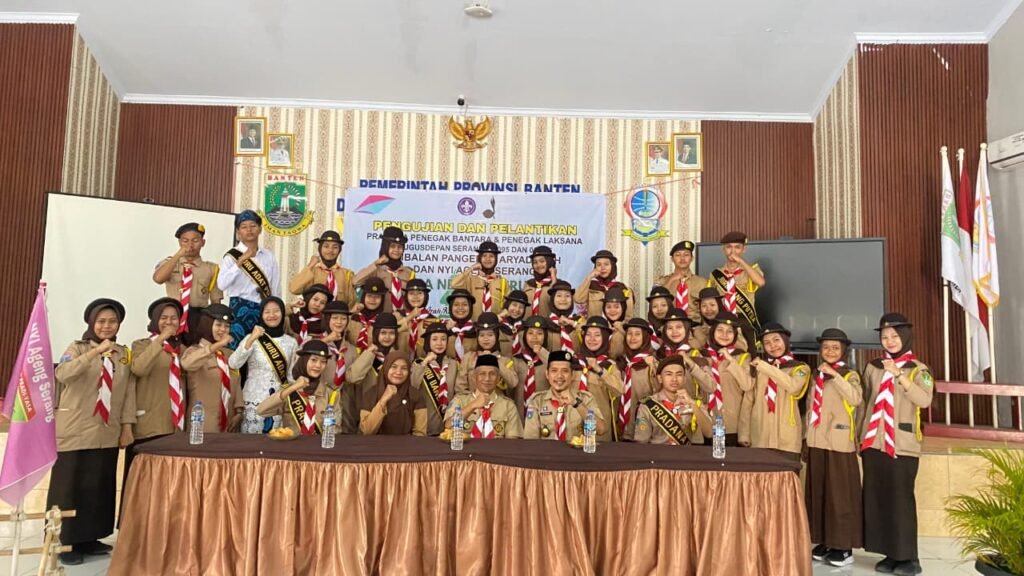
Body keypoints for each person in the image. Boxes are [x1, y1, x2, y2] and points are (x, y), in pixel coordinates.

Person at [49, 299, 135, 566]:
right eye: (101, 321)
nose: (107, 326)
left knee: (98, 486)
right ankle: (63, 542)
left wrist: (127, 426)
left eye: (112, 321)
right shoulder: (77, 348)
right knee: (69, 488)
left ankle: (89, 537)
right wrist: (94, 353)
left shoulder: (122, 354)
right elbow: (63, 374)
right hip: (76, 428)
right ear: (91, 323)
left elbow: (128, 392)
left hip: (106, 430)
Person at [859, 314, 933, 576]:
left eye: (894, 336)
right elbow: (865, 403)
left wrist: (900, 375)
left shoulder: (918, 369)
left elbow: (924, 400)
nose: (889, 341)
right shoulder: (874, 367)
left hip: (901, 445)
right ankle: (889, 553)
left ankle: (909, 558)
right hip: (873, 442)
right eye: (884, 337)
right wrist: (860, 436)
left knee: (901, 501)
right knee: (878, 499)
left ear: (906, 337)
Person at [805, 328, 864, 568]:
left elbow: (855, 399)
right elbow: (810, 407)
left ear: (843, 351)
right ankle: (825, 540)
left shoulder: (850, 374)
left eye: (835, 348)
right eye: (826, 347)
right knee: (820, 493)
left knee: (840, 496)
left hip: (839, 443)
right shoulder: (816, 376)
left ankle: (843, 546)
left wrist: (835, 376)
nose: (830, 351)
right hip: (817, 440)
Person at [122, 298, 184, 516]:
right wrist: (161, 339)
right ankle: (134, 526)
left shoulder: (180, 349)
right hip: (148, 424)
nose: (169, 322)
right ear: (155, 320)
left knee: (166, 486)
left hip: (174, 425)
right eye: (164, 318)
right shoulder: (141, 345)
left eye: (174, 318)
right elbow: (139, 369)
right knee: (141, 484)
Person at [228, 297, 298, 434]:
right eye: (267, 312)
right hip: (253, 400)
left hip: (278, 401)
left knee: (277, 441)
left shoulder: (291, 342)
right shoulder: (252, 338)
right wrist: (251, 339)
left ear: (282, 313)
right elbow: (234, 363)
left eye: (276, 311)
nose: (272, 315)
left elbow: (291, 376)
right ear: (261, 315)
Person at [744, 323, 810, 458]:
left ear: (785, 340)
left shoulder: (800, 368)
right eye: (767, 343)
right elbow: (748, 401)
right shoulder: (758, 369)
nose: (773, 346)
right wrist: (744, 434)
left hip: (787, 438)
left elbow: (793, 387)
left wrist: (766, 367)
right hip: (760, 435)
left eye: (776, 340)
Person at [218, 210, 281, 349]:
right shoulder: (231, 256)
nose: (249, 230)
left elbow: (275, 288)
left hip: (264, 310)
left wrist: (277, 309)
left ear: (260, 229)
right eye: (244, 227)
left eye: (253, 226)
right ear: (238, 232)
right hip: (238, 308)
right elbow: (221, 284)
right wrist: (239, 263)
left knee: (261, 351)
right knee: (236, 350)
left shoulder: (268, 256)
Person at [152, 222, 223, 345]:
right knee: (170, 349)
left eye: (195, 240)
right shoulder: (170, 263)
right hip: (173, 316)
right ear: (179, 242)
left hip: (198, 317)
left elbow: (216, 302)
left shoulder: (211, 268)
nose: (190, 245)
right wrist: (178, 255)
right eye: (185, 241)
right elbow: (158, 279)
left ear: (203, 242)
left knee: (195, 350)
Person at [181, 304, 243, 434]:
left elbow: (236, 382)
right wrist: (216, 346)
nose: (223, 330)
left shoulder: (229, 354)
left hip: (229, 425)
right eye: (218, 325)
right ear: (207, 325)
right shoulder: (194, 351)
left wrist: (239, 411)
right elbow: (187, 364)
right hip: (203, 425)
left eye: (227, 326)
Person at [256, 340, 337, 435]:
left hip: (318, 444)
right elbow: (261, 411)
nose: (318, 365)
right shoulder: (288, 391)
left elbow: (335, 429)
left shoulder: (330, 393)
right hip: (291, 443)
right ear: (304, 361)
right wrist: (293, 388)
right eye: (314, 360)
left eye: (323, 362)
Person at [524, 351, 606, 441]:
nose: (559, 376)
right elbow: (530, 441)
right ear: (547, 374)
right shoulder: (537, 402)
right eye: (554, 371)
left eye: (565, 371)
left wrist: (576, 403)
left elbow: (600, 430)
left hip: (576, 450)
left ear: (572, 375)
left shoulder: (585, 399)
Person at [633, 356, 713, 445]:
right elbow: (641, 442)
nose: (674, 379)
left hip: (688, 453)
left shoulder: (694, 402)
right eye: (669, 374)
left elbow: (709, 433)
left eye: (679, 374)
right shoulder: (647, 405)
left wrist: (693, 405)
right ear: (660, 378)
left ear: (684, 379)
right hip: (658, 453)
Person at [707, 231, 765, 350]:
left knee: (748, 354)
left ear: (744, 249)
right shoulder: (716, 274)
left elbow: (761, 282)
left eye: (737, 247)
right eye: (729, 247)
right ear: (723, 249)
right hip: (723, 320)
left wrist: (741, 261)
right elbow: (710, 298)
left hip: (744, 319)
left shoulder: (751, 270)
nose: (732, 251)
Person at [703, 312, 754, 447]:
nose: (724, 335)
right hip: (705, 422)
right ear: (713, 332)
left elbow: (747, 385)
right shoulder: (703, 356)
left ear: (735, 335)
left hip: (730, 424)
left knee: (727, 458)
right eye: (720, 330)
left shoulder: (742, 357)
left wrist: (730, 360)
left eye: (729, 331)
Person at [444, 355, 523, 439]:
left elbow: (513, 442)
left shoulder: (508, 406)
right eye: (482, 374)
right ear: (474, 377)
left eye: (492, 374)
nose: (487, 378)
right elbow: (448, 426)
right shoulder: (460, 400)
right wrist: (472, 405)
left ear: (498, 379)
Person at [575, 317, 623, 442]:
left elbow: (619, 391)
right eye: (588, 335)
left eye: (597, 335)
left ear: (605, 338)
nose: (592, 339)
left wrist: (599, 370)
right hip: (573, 422)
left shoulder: (610, 365)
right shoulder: (574, 362)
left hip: (600, 426)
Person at [359, 351, 427, 435]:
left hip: (407, 443)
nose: (398, 372)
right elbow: (366, 431)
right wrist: (383, 400)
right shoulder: (371, 394)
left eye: (404, 368)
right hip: (375, 443)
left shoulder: (415, 395)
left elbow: (420, 434)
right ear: (386, 368)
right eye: (394, 367)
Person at [353, 226, 415, 314]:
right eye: (392, 246)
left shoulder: (409, 273)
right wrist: (375, 263)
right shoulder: (375, 270)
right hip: (380, 319)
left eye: (400, 247)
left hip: (403, 319)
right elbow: (355, 282)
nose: (396, 250)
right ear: (385, 247)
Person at [410, 322, 459, 436]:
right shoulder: (418, 364)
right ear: (428, 342)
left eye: (443, 339)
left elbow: (458, 392)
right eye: (435, 339)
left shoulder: (454, 364)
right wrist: (425, 362)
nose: (439, 343)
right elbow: (413, 386)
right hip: (426, 425)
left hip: (448, 425)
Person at [288, 230, 356, 308]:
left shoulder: (347, 274)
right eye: (326, 246)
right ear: (320, 249)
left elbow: (351, 302)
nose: (330, 250)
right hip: (314, 315)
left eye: (335, 247)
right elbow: (294, 289)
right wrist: (310, 266)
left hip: (337, 315)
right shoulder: (311, 271)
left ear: (339, 250)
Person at [455, 312, 517, 397]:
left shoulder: (505, 360)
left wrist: (494, 360)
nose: (486, 339)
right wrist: (474, 401)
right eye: (482, 335)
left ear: (497, 336)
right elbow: (460, 388)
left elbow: (513, 383)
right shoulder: (468, 357)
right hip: (472, 402)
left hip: (498, 403)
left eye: (490, 335)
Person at [615, 318, 658, 440]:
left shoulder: (652, 364)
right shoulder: (619, 362)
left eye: (638, 334)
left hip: (643, 430)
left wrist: (654, 369)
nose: (632, 338)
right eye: (629, 334)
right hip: (618, 430)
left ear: (645, 337)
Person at [511, 315, 559, 416]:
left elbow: (557, 370)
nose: (535, 337)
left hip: (545, 414)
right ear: (524, 336)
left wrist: (542, 352)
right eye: (530, 333)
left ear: (546, 336)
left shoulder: (549, 358)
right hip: (519, 415)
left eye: (540, 333)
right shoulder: (516, 360)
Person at [451, 241, 508, 317]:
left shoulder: (502, 282)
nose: (488, 259)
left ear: (496, 259)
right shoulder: (471, 279)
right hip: (474, 323)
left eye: (491, 256)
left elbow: (509, 306)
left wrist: (499, 317)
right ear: (479, 258)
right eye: (484, 256)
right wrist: (471, 268)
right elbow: (454, 284)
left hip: (495, 323)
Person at [349, 312, 403, 392]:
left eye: (392, 333)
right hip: (368, 399)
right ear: (376, 334)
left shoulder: (399, 357)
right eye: (383, 333)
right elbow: (353, 378)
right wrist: (369, 353)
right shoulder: (366, 355)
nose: (387, 337)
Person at [655, 240, 706, 323]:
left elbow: (707, 311)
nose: (682, 258)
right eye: (678, 255)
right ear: (672, 259)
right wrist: (671, 280)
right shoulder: (662, 281)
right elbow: (655, 302)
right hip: (669, 325)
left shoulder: (702, 282)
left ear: (692, 258)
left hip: (694, 326)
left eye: (686, 255)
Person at [576, 249, 634, 319]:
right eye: (599, 265)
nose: (603, 268)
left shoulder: (623, 288)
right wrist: (589, 277)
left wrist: (620, 325)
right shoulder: (590, 287)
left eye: (606, 264)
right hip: (595, 325)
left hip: (615, 326)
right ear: (595, 268)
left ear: (612, 266)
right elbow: (578, 299)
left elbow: (628, 316)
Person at [347, 277, 388, 353]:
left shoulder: (385, 320)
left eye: (377, 297)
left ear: (382, 299)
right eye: (369, 296)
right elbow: (341, 333)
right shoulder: (353, 316)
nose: (372, 300)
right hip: (350, 358)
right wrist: (351, 313)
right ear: (363, 296)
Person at [397, 278, 436, 356]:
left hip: (423, 361)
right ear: (406, 296)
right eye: (411, 293)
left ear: (425, 296)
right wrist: (410, 316)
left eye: (419, 293)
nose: (415, 297)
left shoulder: (431, 319)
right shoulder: (398, 315)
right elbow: (393, 331)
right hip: (400, 360)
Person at [547, 280, 582, 355]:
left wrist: (571, 323)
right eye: (559, 296)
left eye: (567, 296)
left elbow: (589, 336)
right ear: (552, 299)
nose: (563, 299)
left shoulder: (579, 321)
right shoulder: (546, 323)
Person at [445, 289, 478, 362]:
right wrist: (445, 330)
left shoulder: (477, 329)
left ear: (470, 307)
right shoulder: (443, 328)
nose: (460, 308)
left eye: (465, 304)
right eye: (456, 305)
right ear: (451, 307)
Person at [523, 245, 557, 317]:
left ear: (549, 262)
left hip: (548, 324)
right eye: (535, 262)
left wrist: (553, 279)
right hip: (527, 323)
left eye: (542, 261)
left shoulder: (558, 284)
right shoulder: (528, 284)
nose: (538, 265)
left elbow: (557, 304)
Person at [497, 289, 529, 357]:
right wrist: (498, 317)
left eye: (521, 307)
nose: (517, 309)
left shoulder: (526, 327)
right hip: (502, 362)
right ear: (507, 305)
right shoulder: (497, 324)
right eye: (514, 305)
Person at [645, 285, 672, 351]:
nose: (659, 309)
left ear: (669, 305)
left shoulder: (680, 324)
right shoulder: (647, 328)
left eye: (663, 305)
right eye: (655, 306)